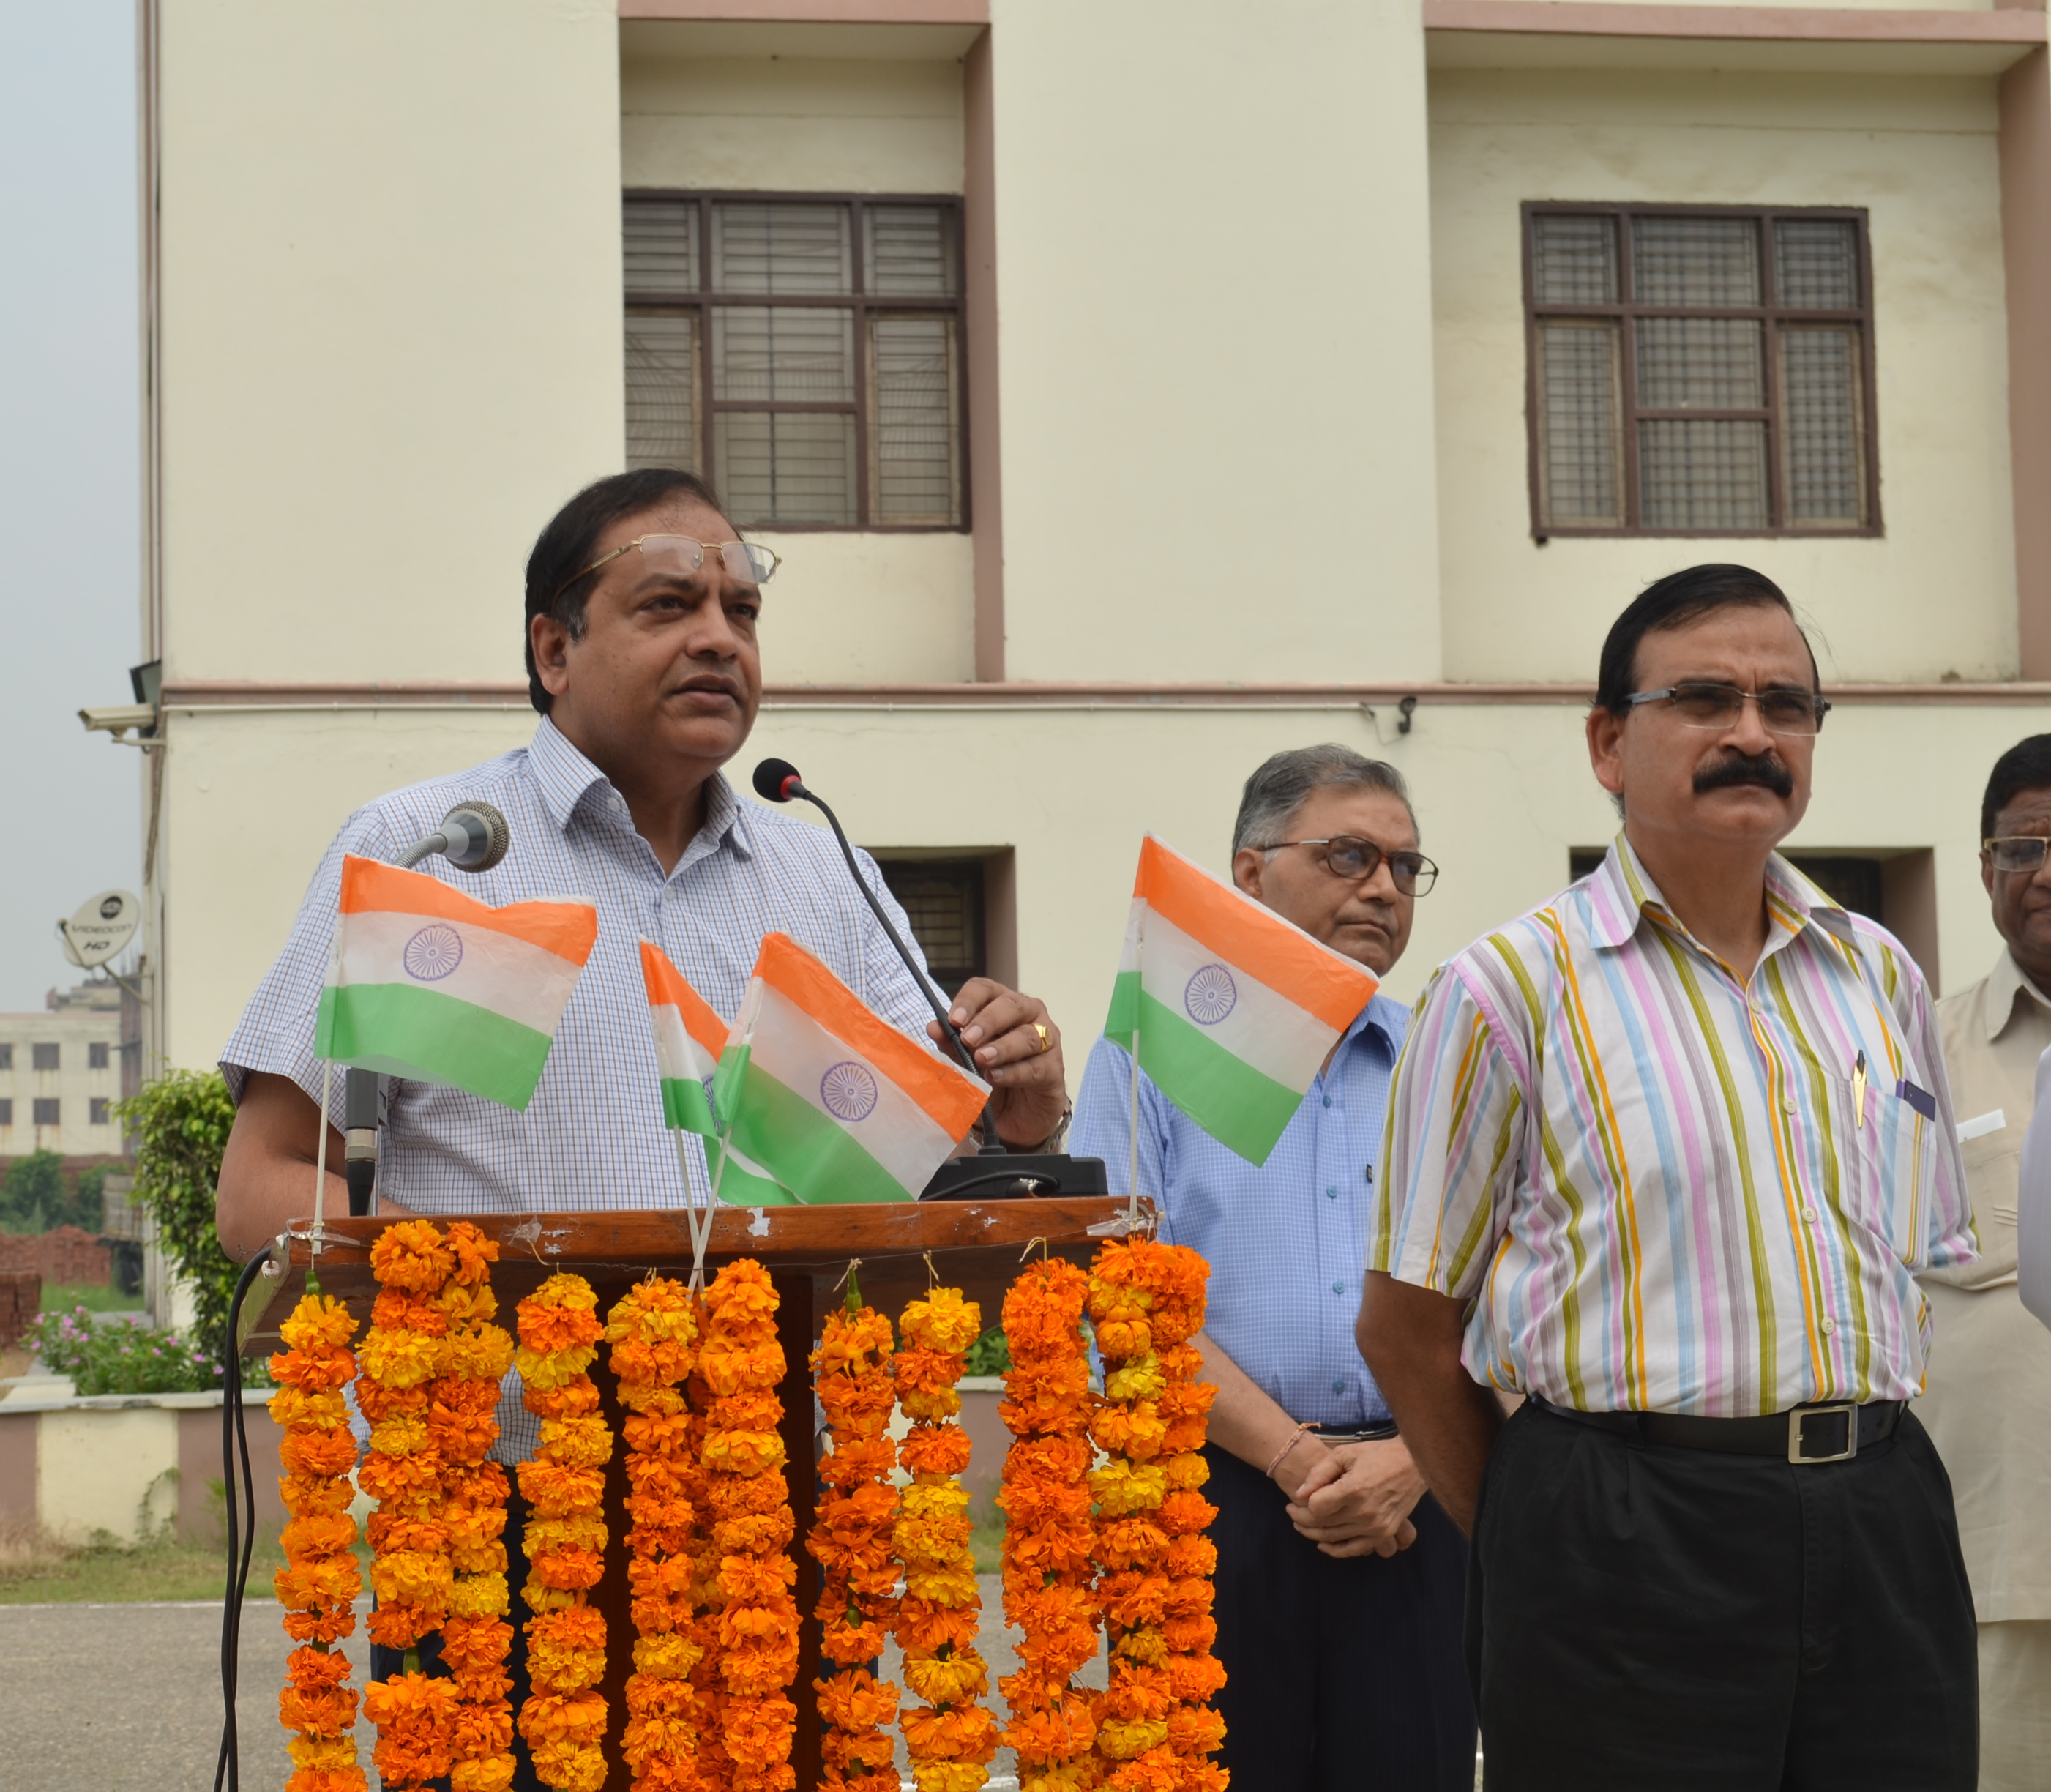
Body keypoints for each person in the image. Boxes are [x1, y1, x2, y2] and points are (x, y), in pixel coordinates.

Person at [217, 468, 1072, 1786]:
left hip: (770, 1496)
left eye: (742, 610)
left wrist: (1020, 1103)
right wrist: (478, 1278)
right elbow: (264, 1186)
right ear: (553, 649)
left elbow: (932, 1165)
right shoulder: (433, 846)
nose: (719, 637)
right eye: (669, 604)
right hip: (503, 1510)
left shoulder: (818, 868)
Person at [1359, 564, 1981, 1789]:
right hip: (1619, 1540)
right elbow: (1406, 1327)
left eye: (1786, 705)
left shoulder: (1879, 974)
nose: (1753, 734)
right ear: (1609, 742)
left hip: (1882, 1523)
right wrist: (1546, 1536)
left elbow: (1914, 1258)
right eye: (1704, 699)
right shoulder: (1508, 989)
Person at [1069, 744, 1468, 1792]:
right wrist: (1295, 1461)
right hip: (1221, 1503)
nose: (1383, 888)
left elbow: (1511, 1298)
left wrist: (1413, 1460)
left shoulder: (1441, 1058)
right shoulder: (1152, 1054)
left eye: (1405, 866)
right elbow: (1118, 1300)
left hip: (1417, 1502)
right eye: (1349, 855)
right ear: (1250, 873)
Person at [1930, 736, 2051, 1787]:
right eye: (2024, 847)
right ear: (1985, 869)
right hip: (2002, 1566)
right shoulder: (1919, 1052)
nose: (2046, 872)